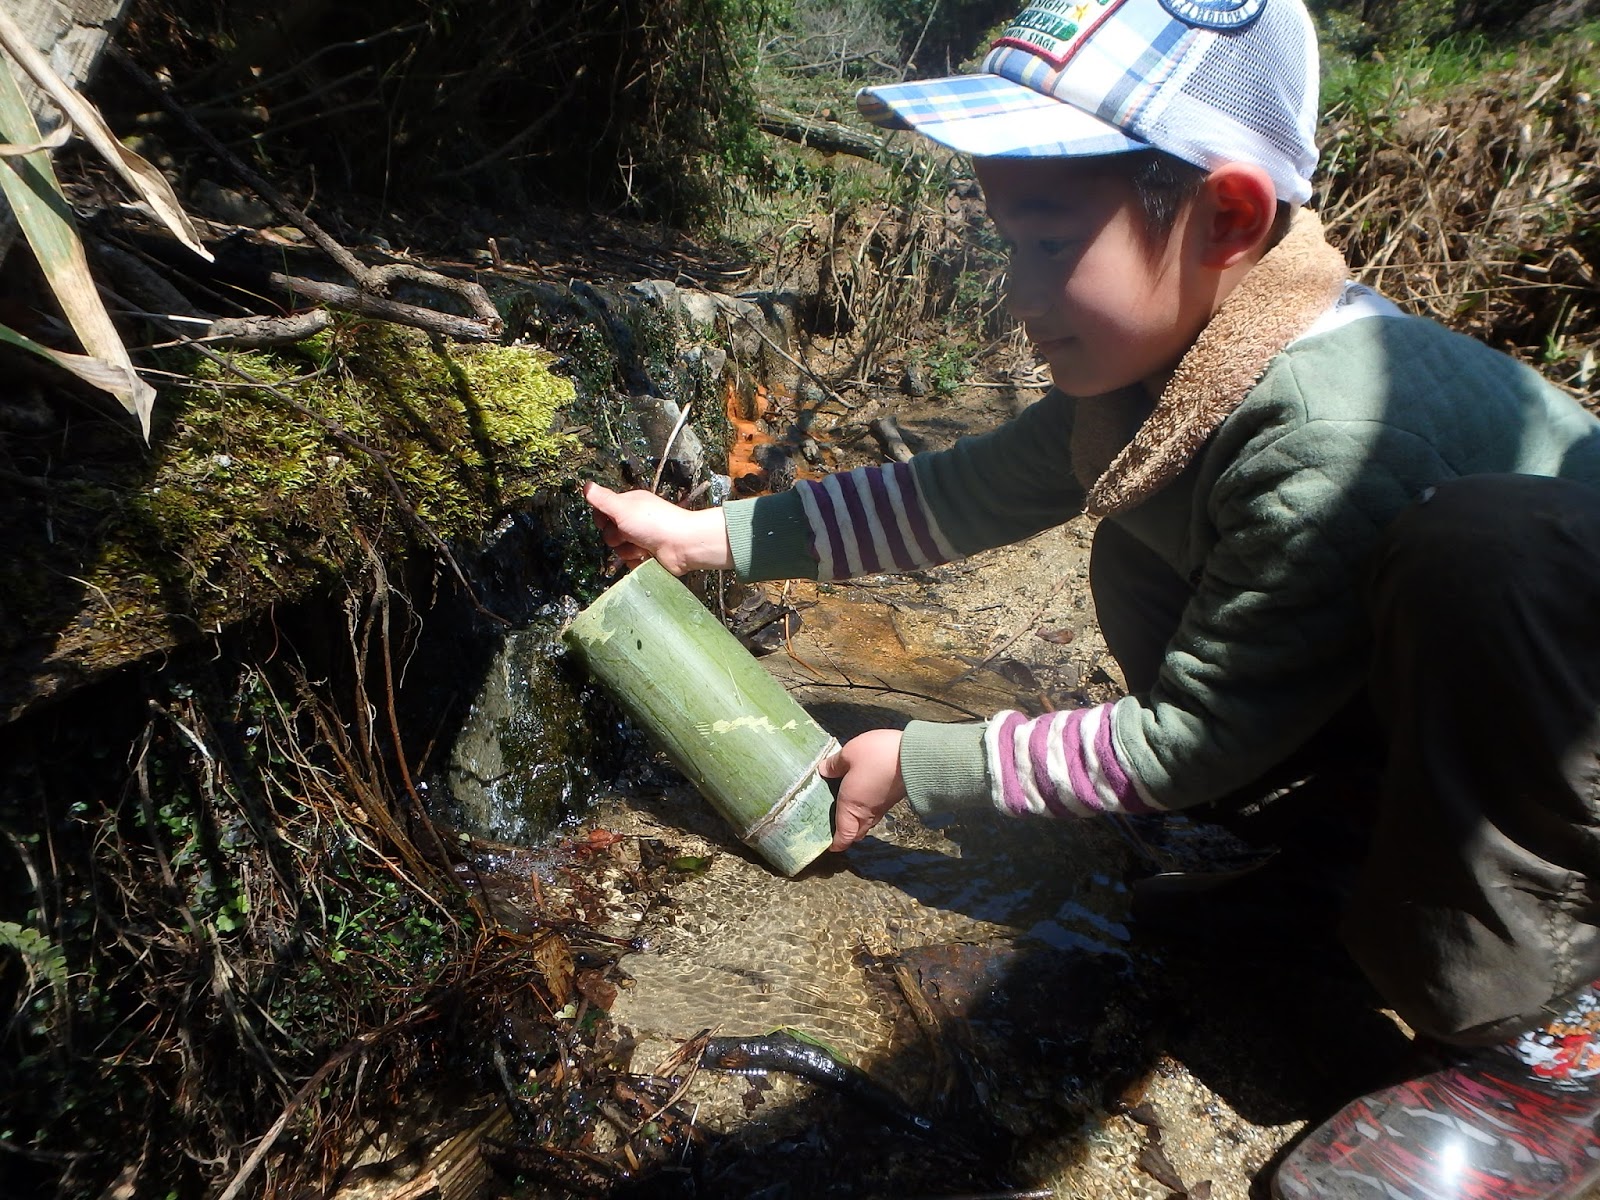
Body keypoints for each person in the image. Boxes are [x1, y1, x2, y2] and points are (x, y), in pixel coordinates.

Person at [583, 0, 1600, 1195]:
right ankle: (1345, 866)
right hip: (1467, 719)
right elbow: (946, 497)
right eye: (1007, 242)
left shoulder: (1324, 429)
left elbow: (1191, 741)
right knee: (1140, 543)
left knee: (1483, 556)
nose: (1019, 293)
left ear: (1227, 218)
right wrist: (702, 537)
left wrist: (923, 761)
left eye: (1051, 242)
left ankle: (1544, 1048)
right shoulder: (1161, 375)